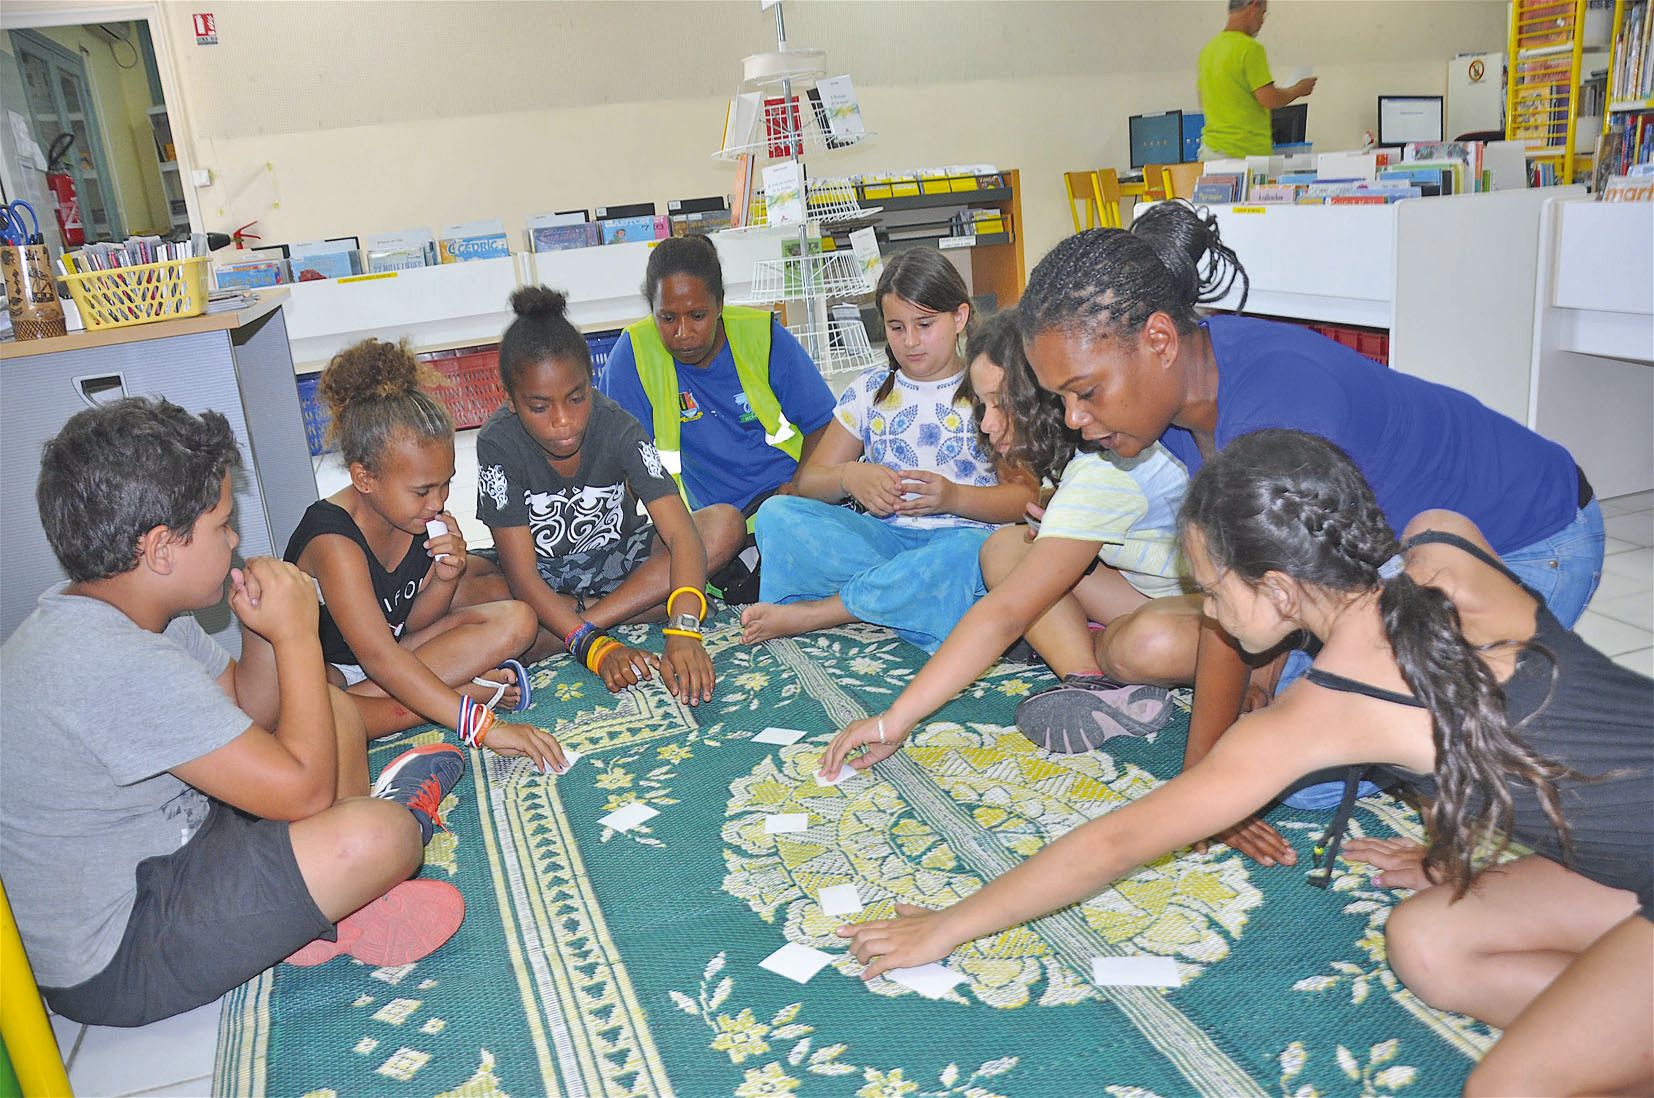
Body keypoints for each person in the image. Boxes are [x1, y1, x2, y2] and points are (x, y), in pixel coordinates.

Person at [836, 430, 1652, 1097]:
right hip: (1632, 851)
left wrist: (945, 926)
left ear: (1282, 591)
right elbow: (1515, 722)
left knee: (1509, 1090)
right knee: (1429, 941)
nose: (1209, 613)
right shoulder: (1445, 543)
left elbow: (1115, 843)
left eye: (1214, 592)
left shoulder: (1324, 711)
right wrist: (1451, 843)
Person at [1015, 200, 1605, 863]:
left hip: (1530, 543)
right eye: (1060, 397)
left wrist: (1208, 782)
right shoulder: (1183, 397)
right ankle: (1358, 711)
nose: (1070, 418)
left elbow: (1268, 585)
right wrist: (1257, 698)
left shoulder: (1276, 405)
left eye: (1085, 391)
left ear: (1158, 340)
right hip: (1372, 565)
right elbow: (1260, 582)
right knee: (1264, 731)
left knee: (1294, 776)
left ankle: (1419, 737)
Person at [0, 398, 472, 1028]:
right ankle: (361, 869)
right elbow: (301, 792)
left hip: (176, 848)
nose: (236, 541)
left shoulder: (123, 611)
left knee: (333, 706)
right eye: (223, 526)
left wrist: (260, 634)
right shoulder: (106, 659)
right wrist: (298, 635)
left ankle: (328, 906)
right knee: (382, 835)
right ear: (162, 548)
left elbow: (250, 704)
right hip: (122, 954)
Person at [821, 308, 1196, 764]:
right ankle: (1092, 682)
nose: (986, 423)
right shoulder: (1084, 461)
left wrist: (894, 719)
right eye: (982, 405)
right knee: (1004, 546)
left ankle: (1107, 663)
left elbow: (1004, 614)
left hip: (1192, 617)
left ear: (1043, 398)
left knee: (1135, 648)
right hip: (1146, 592)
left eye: (1001, 403)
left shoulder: (1105, 470)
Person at [284, 339, 566, 771]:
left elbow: (409, 623)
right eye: (422, 490)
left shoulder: (414, 517)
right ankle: (446, 698)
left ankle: (425, 700)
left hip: (387, 667)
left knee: (519, 619)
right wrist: (482, 725)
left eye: (446, 483)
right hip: (336, 675)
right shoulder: (333, 541)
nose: (438, 501)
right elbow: (379, 656)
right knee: (320, 710)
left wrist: (444, 578)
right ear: (364, 478)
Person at [740, 249, 1037, 654]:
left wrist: (955, 497)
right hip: (884, 542)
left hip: (962, 543)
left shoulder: (987, 387)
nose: (910, 341)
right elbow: (809, 482)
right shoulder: (869, 390)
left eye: (925, 324)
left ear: (960, 318)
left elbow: (1025, 498)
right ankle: (901, 598)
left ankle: (827, 611)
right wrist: (849, 477)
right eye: (897, 327)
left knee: (966, 554)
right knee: (776, 514)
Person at [458, 287, 744, 702]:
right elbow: (522, 576)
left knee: (722, 524)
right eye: (540, 407)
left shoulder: (617, 426)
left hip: (618, 565)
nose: (563, 421)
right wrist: (597, 648)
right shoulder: (497, 442)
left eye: (576, 399)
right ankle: (615, 616)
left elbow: (682, 535)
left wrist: (683, 629)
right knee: (456, 586)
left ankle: (562, 633)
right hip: (540, 579)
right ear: (512, 401)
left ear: (590, 383)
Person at [600, 235, 838, 599]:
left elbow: (824, 425)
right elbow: (616, 463)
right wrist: (615, 542)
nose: (683, 333)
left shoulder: (763, 335)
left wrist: (801, 485)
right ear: (652, 311)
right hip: (707, 524)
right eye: (667, 318)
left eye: (697, 316)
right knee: (677, 562)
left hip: (785, 505)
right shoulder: (633, 354)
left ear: (720, 305)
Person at [1196, 0, 1316, 160]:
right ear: (1253, 6)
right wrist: (1298, 89)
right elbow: (1270, 99)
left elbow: (1203, 101)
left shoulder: (1208, 50)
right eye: (1263, 13)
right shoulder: (1250, 49)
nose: (1262, 21)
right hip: (1244, 154)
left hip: (1210, 152)